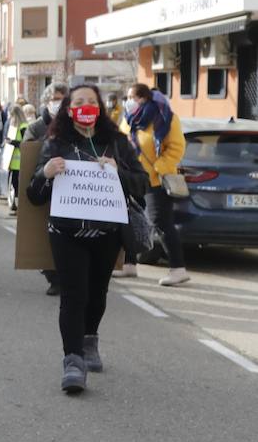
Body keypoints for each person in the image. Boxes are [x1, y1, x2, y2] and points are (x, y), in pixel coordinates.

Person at [27, 83, 148, 393]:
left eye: (91, 101)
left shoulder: (117, 142)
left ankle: (89, 338)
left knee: (97, 293)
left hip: (106, 234)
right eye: (78, 101)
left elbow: (141, 184)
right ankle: (73, 361)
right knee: (73, 295)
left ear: (100, 107)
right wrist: (46, 174)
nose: (85, 106)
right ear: (69, 109)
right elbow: (33, 195)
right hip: (66, 233)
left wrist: (117, 171)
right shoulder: (55, 144)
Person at [118, 83, 190, 286]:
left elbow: (176, 147)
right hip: (132, 178)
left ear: (144, 98)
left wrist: (159, 167)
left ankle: (178, 268)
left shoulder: (164, 116)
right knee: (130, 220)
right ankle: (129, 264)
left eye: (132, 96)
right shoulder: (129, 118)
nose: (128, 101)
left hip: (155, 180)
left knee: (160, 222)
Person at [27, 82, 70, 296]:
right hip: (45, 186)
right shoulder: (36, 127)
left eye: (62, 98)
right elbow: (26, 154)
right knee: (45, 234)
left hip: (71, 190)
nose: (58, 103)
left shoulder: (74, 126)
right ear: (46, 101)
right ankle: (53, 277)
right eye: (55, 98)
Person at [3, 102, 35, 214]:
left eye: (11, 116)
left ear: (16, 115)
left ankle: (20, 209)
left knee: (19, 187)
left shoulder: (23, 127)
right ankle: (16, 207)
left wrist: (12, 142)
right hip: (13, 163)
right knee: (14, 186)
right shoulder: (14, 127)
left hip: (20, 163)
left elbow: (25, 144)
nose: (10, 118)